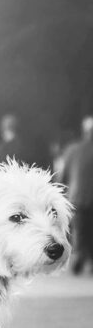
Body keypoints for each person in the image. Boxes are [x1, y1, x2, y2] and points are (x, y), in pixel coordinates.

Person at [59, 116, 93, 274]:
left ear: (84, 131)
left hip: (77, 197)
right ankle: (87, 257)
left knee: (80, 229)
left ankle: (80, 254)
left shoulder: (73, 150)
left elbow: (63, 176)